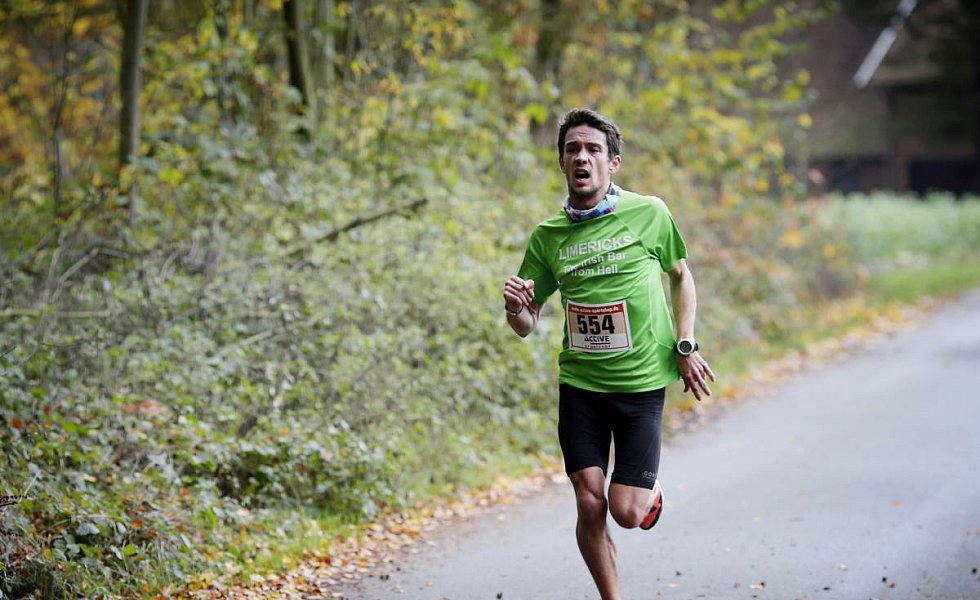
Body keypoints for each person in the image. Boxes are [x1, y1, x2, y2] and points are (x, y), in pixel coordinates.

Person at [502, 108, 715, 600]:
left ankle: (647, 495)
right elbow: (526, 324)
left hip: (641, 384)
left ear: (612, 162)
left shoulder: (649, 213)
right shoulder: (548, 236)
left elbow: (681, 276)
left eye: (593, 149)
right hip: (581, 385)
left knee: (625, 511)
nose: (583, 157)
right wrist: (515, 308)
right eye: (573, 149)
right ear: (561, 162)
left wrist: (685, 343)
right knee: (589, 503)